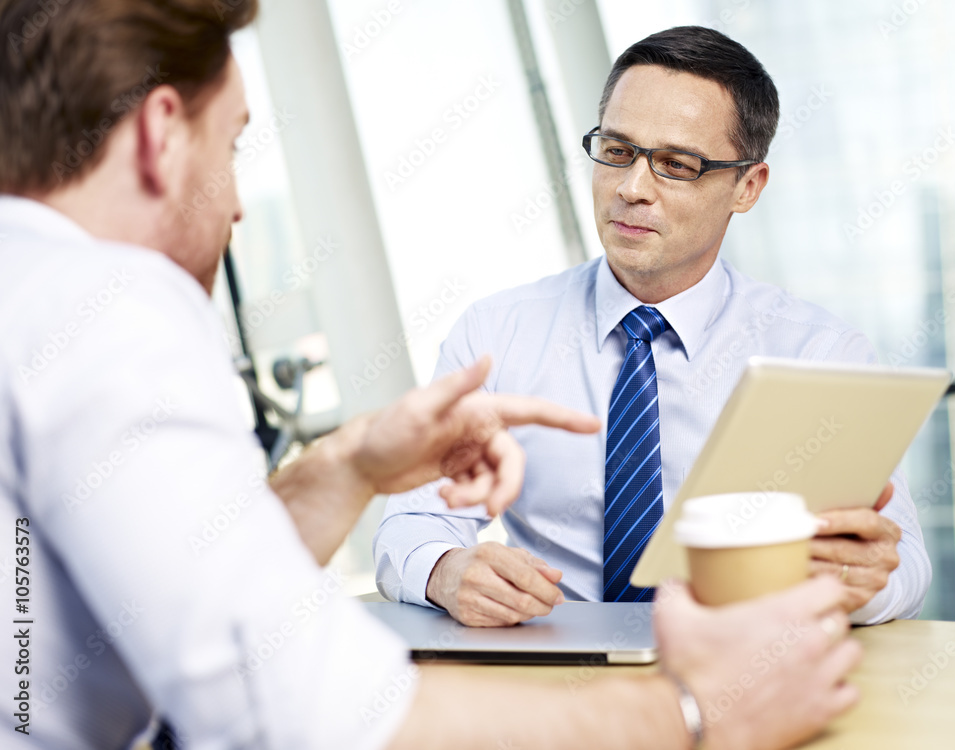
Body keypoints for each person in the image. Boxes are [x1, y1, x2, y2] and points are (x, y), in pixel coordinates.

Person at [0, 2, 863, 748]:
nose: (233, 204)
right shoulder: (110, 310)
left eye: (675, 163)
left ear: (747, 185)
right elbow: (290, 709)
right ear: (157, 134)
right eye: (232, 144)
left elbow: (182, 593)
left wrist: (349, 466)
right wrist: (692, 713)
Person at [374, 25, 931, 627]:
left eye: (675, 165)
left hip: (746, 672)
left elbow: (905, 565)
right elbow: (411, 521)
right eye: (617, 152)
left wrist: (864, 581)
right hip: (552, 679)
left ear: (747, 186)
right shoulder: (497, 334)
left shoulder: (819, 354)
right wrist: (447, 571)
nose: (632, 189)